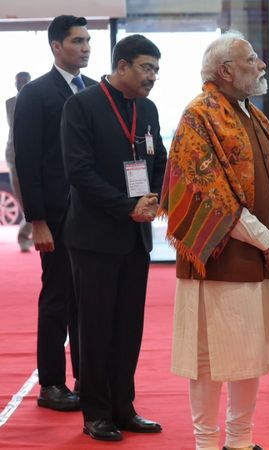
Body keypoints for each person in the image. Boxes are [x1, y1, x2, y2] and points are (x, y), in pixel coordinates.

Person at [161, 31, 269, 450]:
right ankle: (207, 444)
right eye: (251, 59)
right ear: (225, 70)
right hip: (218, 257)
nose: (261, 65)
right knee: (209, 359)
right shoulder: (198, 115)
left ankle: (240, 441)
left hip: (261, 253)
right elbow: (211, 197)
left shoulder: (254, 115)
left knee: (248, 353)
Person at [60, 34, 166, 441]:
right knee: (95, 328)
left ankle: (124, 407)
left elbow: (160, 160)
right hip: (94, 238)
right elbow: (79, 171)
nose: (152, 76)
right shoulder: (82, 106)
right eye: (146, 68)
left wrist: (154, 199)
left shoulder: (148, 108)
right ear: (122, 66)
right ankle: (96, 413)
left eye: (156, 70)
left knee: (128, 328)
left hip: (135, 238)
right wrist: (126, 206)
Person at [14, 15, 96, 412]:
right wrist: (38, 221)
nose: (85, 47)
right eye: (77, 41)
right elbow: (27, 161)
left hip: (93, 214)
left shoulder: (95, 89)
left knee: (87, 300)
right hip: (57, 216)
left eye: (88, 40)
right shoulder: (36, 94)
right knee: (58, 298)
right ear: (56, 46)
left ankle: (87, 378)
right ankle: (51, 384)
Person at [5, 71, 32, 252]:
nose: (21, 83)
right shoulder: (10, 103)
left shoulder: (37, 100)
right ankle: (25, 233)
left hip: (35, 155)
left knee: (35, 197)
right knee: (22, 199)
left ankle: (26, 234)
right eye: (18, 81)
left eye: (24, 81)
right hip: (14, 155)